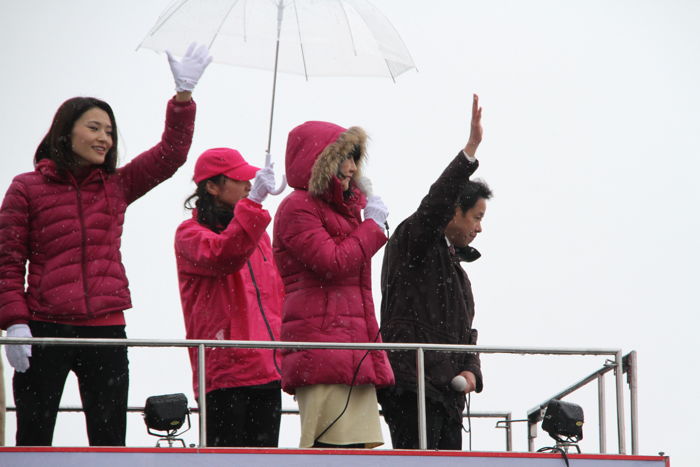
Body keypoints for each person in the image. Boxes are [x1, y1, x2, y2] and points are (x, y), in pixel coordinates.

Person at [0, 43, 212, 446]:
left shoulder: (117, 186)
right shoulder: (26, 188)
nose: (104, 138)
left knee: (110, 440)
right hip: (44, 330)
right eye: (94, 128)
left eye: (110, 131)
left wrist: (183, 97)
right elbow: (7, 262)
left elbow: (171, 154)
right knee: (33, 438)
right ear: (65, 131)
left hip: (106, 330)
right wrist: (14, 322)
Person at [378, 94, 492, 450]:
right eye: (477, 217)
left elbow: (466, 334)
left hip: (447, 396)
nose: (479, 228)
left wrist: (472, 370)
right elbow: (434, 204)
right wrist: (469, 151)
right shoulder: (416, 241)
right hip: (412, 387)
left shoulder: (459, 275)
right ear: (454, 212)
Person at [273, 121, 394, 448]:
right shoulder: (296, 207)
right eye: (345, 157)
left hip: (350, 351)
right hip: (323, 350)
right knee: (330, 450)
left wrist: (365, 221)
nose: (353, 167)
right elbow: (332, 262)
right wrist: (371, 228)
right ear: (321, 159)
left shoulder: (344, 209)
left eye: (355, 159)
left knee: (355, 450)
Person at [174, 148, 286, 447]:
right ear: (212, 186)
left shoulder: (258, 234)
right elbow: (224, 254)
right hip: (225, 374)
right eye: (241, 179)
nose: (250, 185)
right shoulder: (189, 234)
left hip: (267, 371)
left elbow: (277, 296)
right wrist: (254, 205)